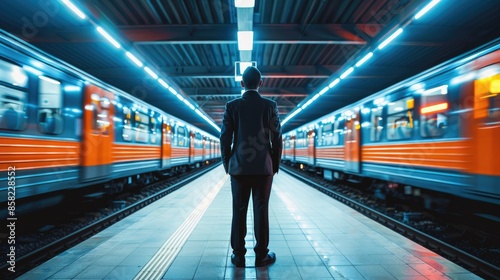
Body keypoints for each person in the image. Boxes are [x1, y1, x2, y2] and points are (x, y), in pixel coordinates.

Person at [220, 66, 282, 267]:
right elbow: (277, 138)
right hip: (264, 169)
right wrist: (274, 163)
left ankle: (238, 256)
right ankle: (261, 255)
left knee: (239, 210)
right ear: (261, 83)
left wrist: (228, 162)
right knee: (261, 210)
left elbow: (225, 138)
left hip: (238, 168)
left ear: (241, 83)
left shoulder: (232, 106)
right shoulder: (270, 106)